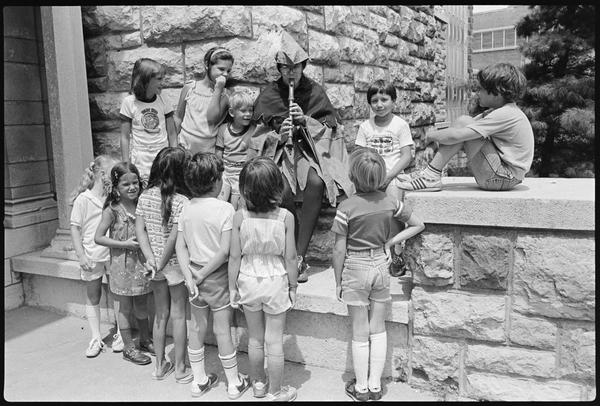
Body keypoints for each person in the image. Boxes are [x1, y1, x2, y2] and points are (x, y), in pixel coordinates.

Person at [253, 31, 353, 283]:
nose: (291, 73)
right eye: (286, 68)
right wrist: (279, 134)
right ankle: (290, 251)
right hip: (280, 153)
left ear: (302, 67)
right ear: (279, 69)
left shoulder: (314, 90)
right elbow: (257, 135)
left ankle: (299, 256)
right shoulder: (270, 93)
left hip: (309, 151)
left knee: (317, 182)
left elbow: (330, 128)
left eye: (295, 67)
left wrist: (305, 121)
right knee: (282, 188)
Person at [331, 148, 424, 401]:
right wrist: (391, 241)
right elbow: (418, 224)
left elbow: (339, 249)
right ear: (382, 175)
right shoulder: (390, 202)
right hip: (381, 265)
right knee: (378, 327)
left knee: (360, 329)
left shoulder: (346, 207)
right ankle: (375, 385)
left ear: (352, 176)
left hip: (355, 266)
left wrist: (338, 281)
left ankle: (360, 388)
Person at [176, 153, 250, 399]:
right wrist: (203, 275)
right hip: (217, 277)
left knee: (197, 328)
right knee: (222, 330)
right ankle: (234, 383)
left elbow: (180, 246)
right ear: (216, 181)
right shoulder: (225, 209)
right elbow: (224, 251)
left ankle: (199, 381)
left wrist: (190, 277)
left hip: (193, 274)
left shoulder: (186, 207)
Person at [398, 62, 534, 192]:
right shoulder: (499, 112)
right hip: (503, 177)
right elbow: (457, 131)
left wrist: (430, 136)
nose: (477, 93)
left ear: (497, 93)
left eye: (481, 89)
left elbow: (457, 135)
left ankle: (430, 175)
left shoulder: (506, 114)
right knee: (464, 123)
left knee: (464, 123)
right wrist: (434, 145)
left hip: (502, 177)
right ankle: (429, 173)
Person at [229, 157, 299, 401]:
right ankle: (275, 391)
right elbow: (291, 257)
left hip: (248, 278)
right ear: (277, 187)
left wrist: (232, 287)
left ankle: (258, 384)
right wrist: (293, 286)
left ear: (243, 189)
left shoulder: (239, 217)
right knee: (274, 341)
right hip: (276, 279)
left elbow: (234, 256)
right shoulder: (286, 217)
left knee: (255, 338)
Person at [135, 147, 192, 381]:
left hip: (154, 265)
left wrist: (151, 259)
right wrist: (161, 263)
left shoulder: (144, 196)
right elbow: (174, 239)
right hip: (175, 265)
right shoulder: (182, 201)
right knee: (179, 315)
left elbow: (140, 231)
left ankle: (159, 366)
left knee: (160, 314)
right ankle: (180, 368)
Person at [95, 162, 154, 366]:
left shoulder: (142, 205)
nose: (132, 187)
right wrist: (124, 244)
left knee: (142, 304)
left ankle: (145, 340)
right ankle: (129, 348)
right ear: (115, 187)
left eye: (135, 182)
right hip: (122, 267)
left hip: (142, 265)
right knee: (125, 308)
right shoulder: (112, 210)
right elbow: (98, 237)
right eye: (125, 184)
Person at [355, 80, 415, 277]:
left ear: (393, 101)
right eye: (374, 101)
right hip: (370, 177)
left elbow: (406, 156)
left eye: (384, 99)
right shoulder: (365, 127)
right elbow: (360, 155)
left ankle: (396, 252)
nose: (379, 104)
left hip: (393, 175)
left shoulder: (400, 125)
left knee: (393, 208)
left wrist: (388, 177)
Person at [70, 155, 123, 357]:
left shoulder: (113, 198)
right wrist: (81, 255)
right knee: (93, 295)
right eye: (113, 172)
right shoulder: (83, 199)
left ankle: (121, 333)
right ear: (102, 174)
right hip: (92, 255)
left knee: (117, 293)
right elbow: (75, 228)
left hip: (113, 254)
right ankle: (95, 337)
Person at [120, 58, 177, 186]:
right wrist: (126, 165)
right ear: (145, 80)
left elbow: (172, 133)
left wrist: (175, 158)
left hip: (162, 156)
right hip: (141, 159)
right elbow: (124, 137)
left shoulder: (164, 99)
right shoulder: (129, 102)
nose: (163, 83)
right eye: (159, 79)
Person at [175, 47, 234, 154]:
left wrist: (218, 89)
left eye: (228, 71)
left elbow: (212, 119)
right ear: (207, 65)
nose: (225, 74)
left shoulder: (225, 96)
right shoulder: (190, 88)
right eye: (221, 69)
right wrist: (173, 144)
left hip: (207, 151)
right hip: (184, 146)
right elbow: (178, 117)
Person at [215, 91, 257, 210]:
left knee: (236, 205)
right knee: (220, 203)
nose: (248, 114)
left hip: (241, 175)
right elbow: (218, 153)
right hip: (225, 173)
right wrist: (219, 172)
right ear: (232, 112)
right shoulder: (223, 130)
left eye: (250, 110)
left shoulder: (253, 130)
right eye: (243, 111)